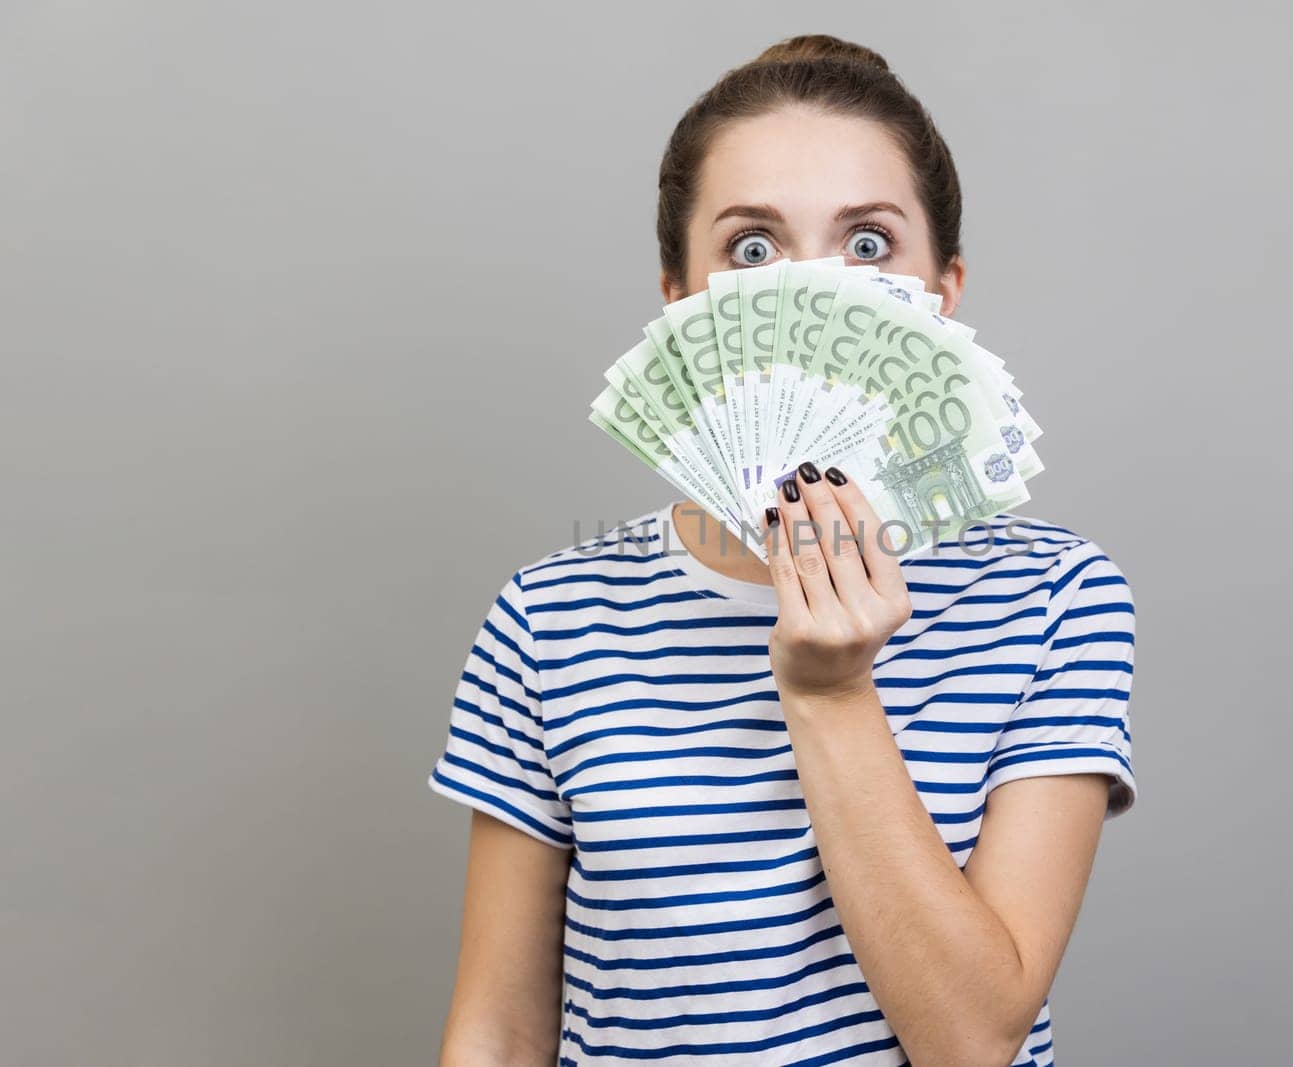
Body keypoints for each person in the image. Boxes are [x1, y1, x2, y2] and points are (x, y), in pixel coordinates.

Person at [426, 34, 1137, 1067]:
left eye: (867, 245)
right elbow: (497, 1027)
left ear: (941, 291)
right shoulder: (549, 617)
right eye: (752, 248)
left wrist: (833, 692)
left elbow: (971, 1040)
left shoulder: (1052, 598)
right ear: (680, 300)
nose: (814, 296)